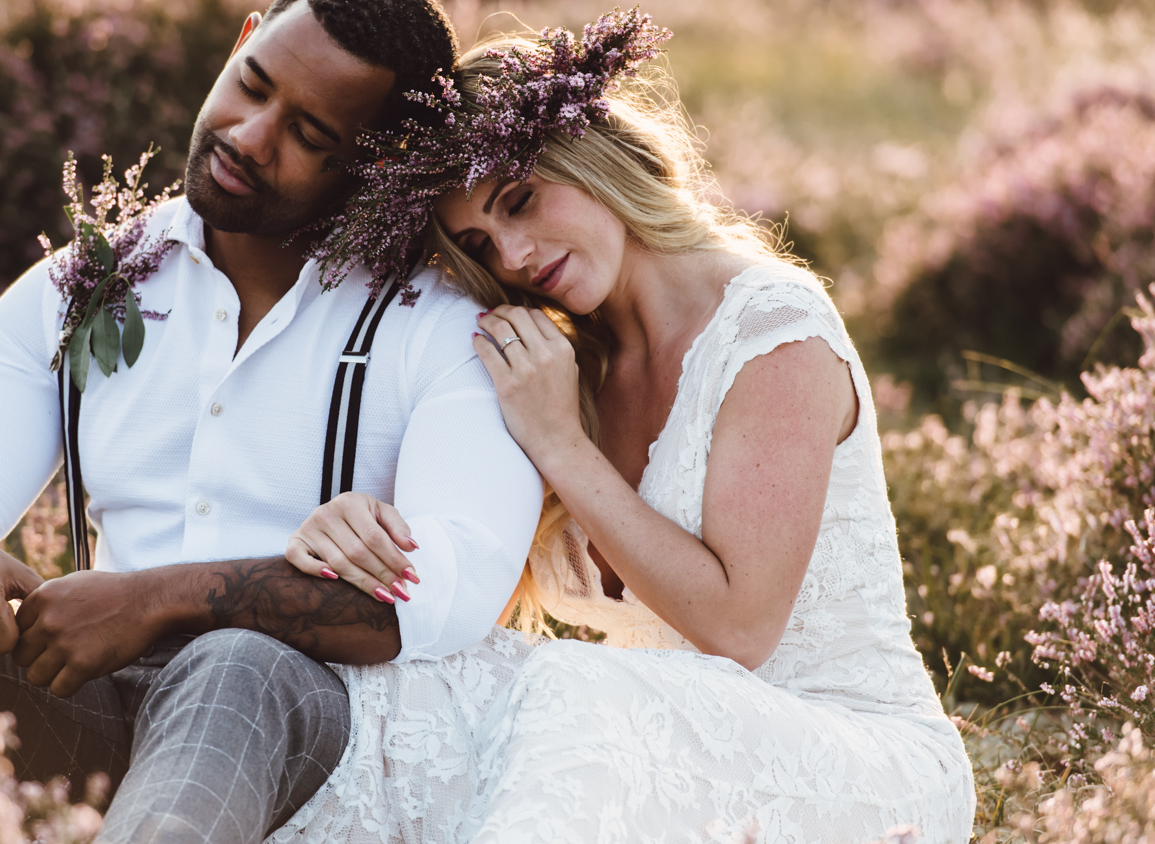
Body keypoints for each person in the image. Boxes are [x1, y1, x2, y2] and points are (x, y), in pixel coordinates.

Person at [0, 2, 545, 843]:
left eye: (309, 135)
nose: (249, 137)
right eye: (252, 85)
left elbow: (448, 593)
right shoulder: (82, 285)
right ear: (241, 40)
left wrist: (154, 599)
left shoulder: (442, 327)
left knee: (236, 666)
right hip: (90, 707)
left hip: (303, 728)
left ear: (383, 161)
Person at [271, 11, 975, 842]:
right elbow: (467, 591)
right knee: (409, 699)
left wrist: (561, 445)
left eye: (520, 201)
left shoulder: (771, 329)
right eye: (480, 244)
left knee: (574, 686)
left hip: (853, 756)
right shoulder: (567, 368)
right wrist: (348, 526)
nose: (515, 257)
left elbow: (740, 629)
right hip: (673, 742)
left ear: (587, 155)